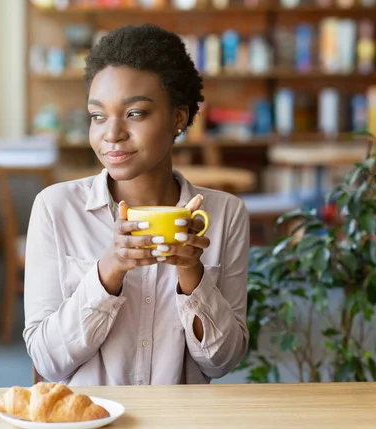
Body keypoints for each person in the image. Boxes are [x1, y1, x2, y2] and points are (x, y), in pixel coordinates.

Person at [23, 24, 249, 386]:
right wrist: (110, 270)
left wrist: (192, 274)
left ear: (178, 117)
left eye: (135, 114)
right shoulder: (55, 208)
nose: (111, 133)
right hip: (91, 420)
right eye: (98, 116)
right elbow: (47, 361)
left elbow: (222, 363)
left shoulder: (225, 215)